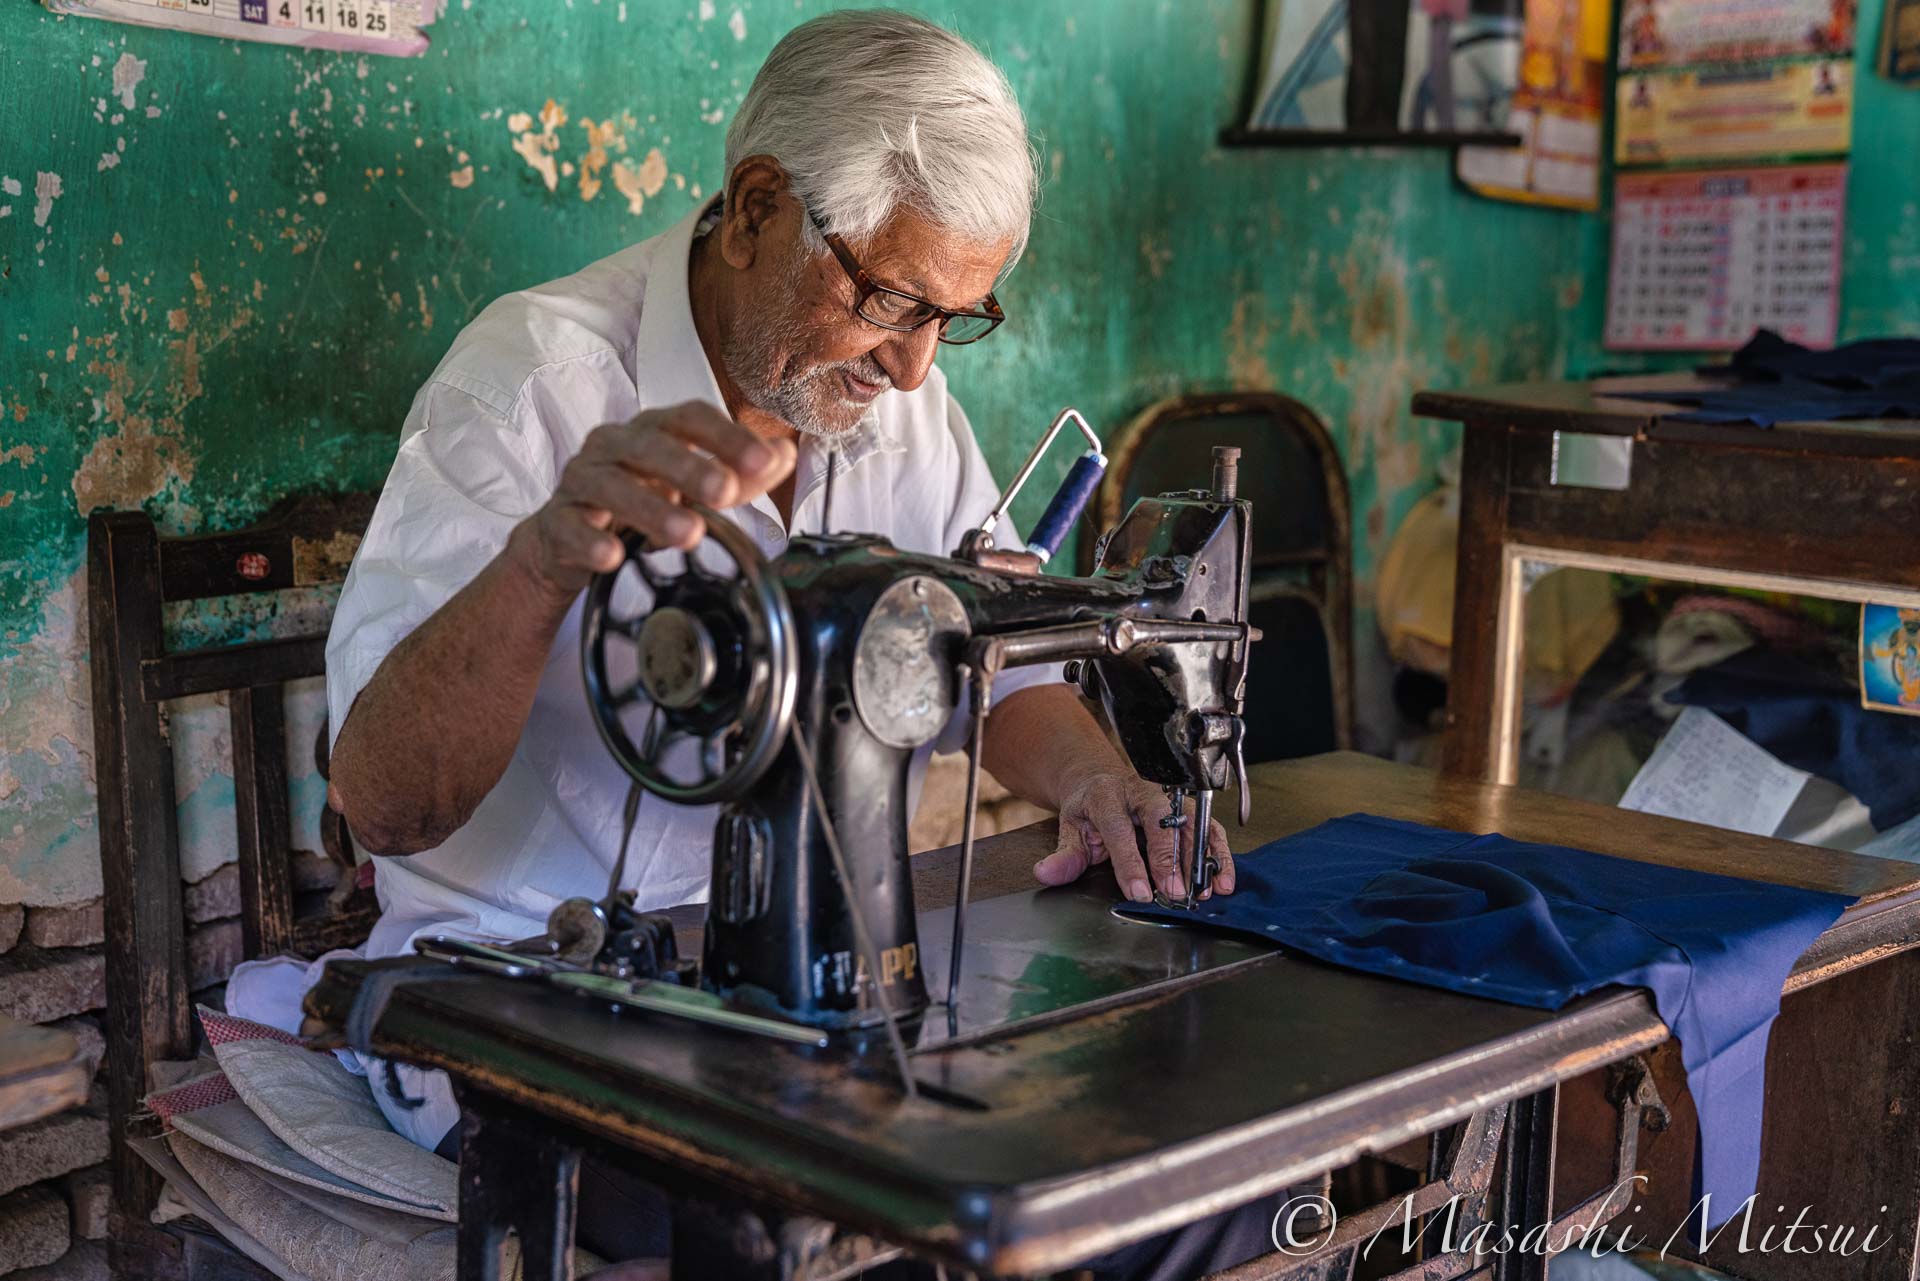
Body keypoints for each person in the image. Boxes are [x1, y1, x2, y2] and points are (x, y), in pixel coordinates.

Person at [305, 10, 1267, 1277]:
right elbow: (383, 802)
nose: (919, 368)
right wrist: (546, 557)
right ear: (759, 206)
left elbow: (997, 661)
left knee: (1196, 1187)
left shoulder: (887, 403)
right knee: (870, 1235)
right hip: (528, 999)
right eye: (890, 300)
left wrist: (1098, 780)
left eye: (957, 319)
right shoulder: (530, 385)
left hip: (785, 991)